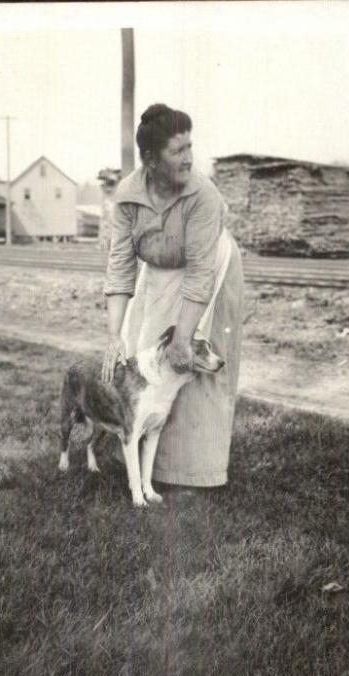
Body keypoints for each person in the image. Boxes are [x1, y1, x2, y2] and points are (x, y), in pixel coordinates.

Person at [102, 103, 244, 488]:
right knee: (146, 354)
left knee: (194, 362)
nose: (188, 158)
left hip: (210, 269)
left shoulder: (203, 195)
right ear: (149, 158)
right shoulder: (128, 195)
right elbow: (119, 264)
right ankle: (145, 464)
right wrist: (114, 333)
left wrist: (183, 338)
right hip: (160, 270)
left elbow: (199, 274)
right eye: (177, 151)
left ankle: (195, 474)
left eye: (189, 148)